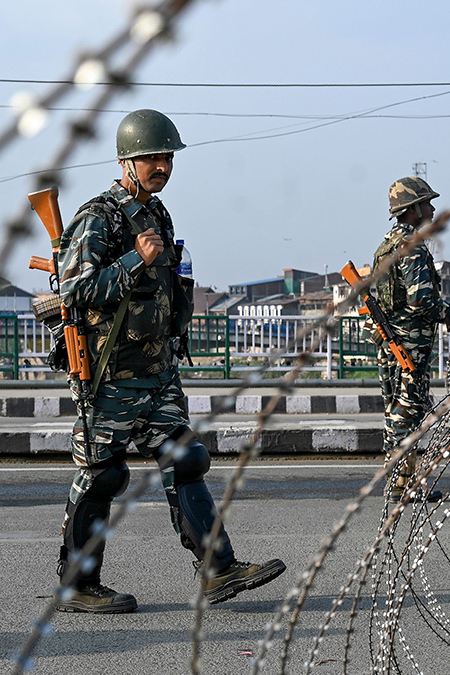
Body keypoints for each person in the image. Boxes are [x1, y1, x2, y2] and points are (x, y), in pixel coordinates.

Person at [54, 109, 285, 613]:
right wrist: (135, 259)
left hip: (157, 372)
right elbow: (73, 288)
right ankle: (77, 585)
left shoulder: (157, 214)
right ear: (125, 162)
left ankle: (218, 570)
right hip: (111, 376)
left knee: (186, 459)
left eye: (166, 157)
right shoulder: (100, 216)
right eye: (150, 158)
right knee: (101, 475)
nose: (161, 165)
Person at [370, 176, 450, 502]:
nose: (432, 208)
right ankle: (399, 486)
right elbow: (421, 300)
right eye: (426, 203)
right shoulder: (411, 248)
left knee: (399, 413)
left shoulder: (386, 246)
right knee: (405, 414)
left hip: (391, 343)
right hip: (408, 346)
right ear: (412, 210)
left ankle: (403, 483)